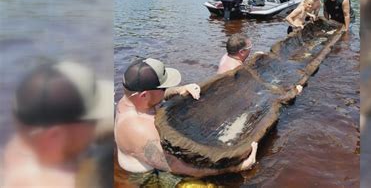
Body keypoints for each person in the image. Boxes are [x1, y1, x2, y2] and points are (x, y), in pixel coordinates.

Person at [115, 58, 258, 184]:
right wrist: (236, 168)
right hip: (148, 177)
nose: (166, 90)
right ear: (144, 95)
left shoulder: (130, 99)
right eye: (163, 87)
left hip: (156, 162)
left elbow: (155, 97)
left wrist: (179, 90)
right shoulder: (138, 129)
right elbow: (177, 167)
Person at [2, 61, 113, 187]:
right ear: (54, 135)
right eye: (93, 121)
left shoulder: (20, 147)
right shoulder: (79, 182)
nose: (97, 123)